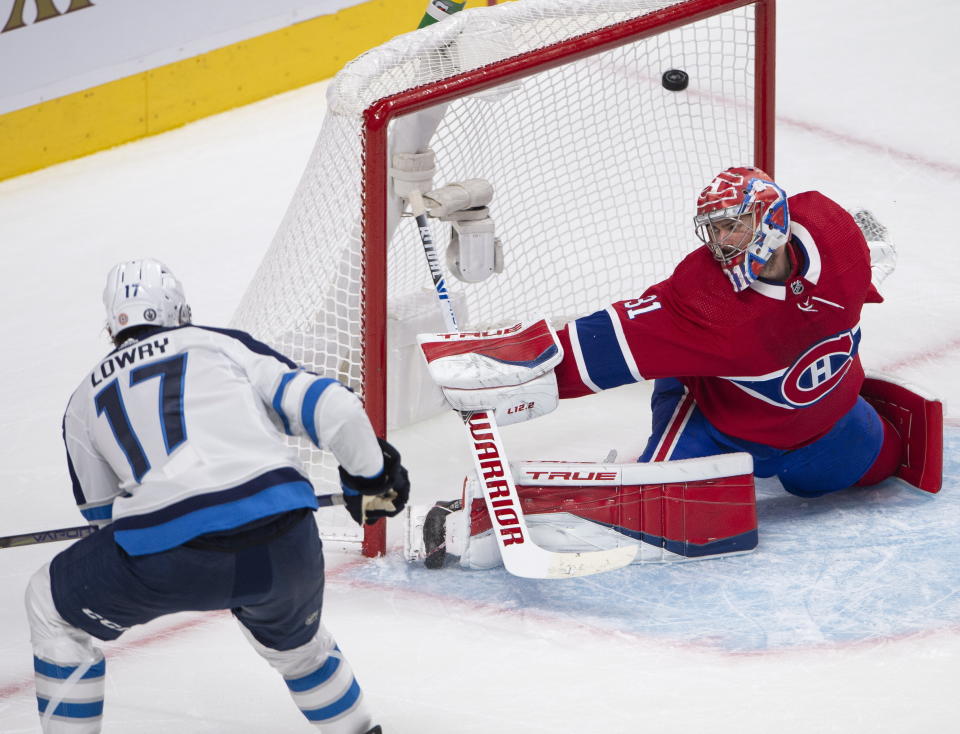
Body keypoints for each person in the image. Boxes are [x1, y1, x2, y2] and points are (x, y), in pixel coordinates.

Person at [418, 167, 942, 570]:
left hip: (829, 428)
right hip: (718, 427)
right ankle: (479, 524)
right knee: (652, 516)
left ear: (772, 220)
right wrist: (509, 368)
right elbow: (593, 347)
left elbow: (869, 249)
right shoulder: (704, 301)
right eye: (712, 230)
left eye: (732, 227)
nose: (719, 244)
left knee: (882, 464)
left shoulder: (836, 237)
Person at [24, 259, 407, 733]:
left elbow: (105, 519)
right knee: (299, 650)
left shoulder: (83, 400)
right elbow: (337, 408)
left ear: (111, 326)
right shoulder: (218, 344)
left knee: (49, 604)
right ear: (179, 311)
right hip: (284, 541)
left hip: (169, 559)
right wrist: (369, 479)